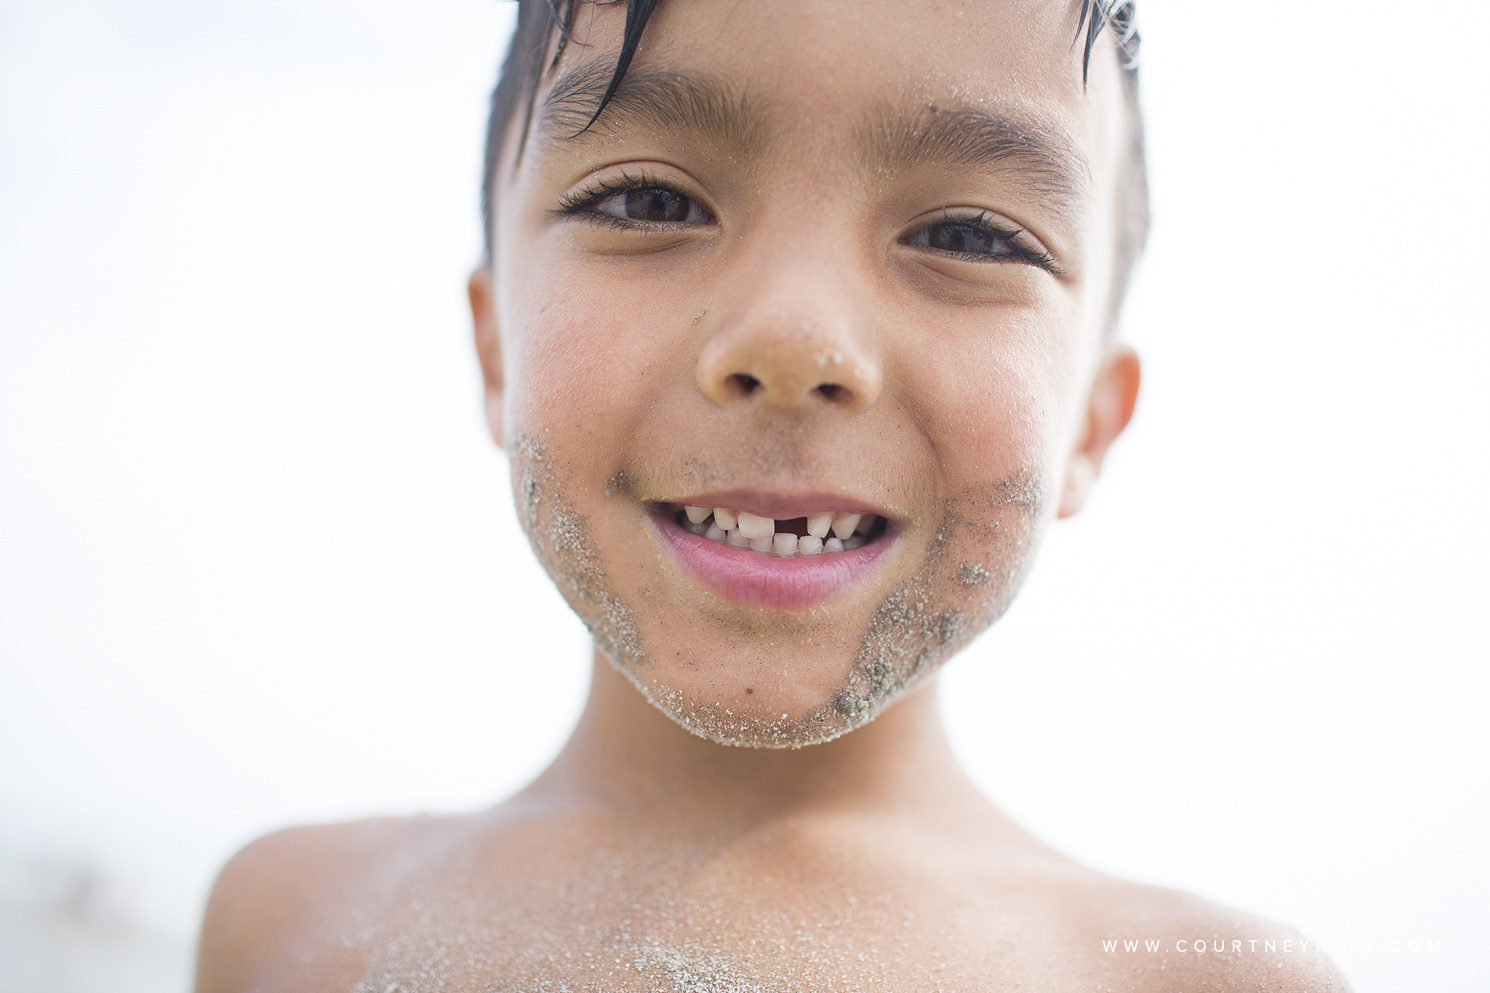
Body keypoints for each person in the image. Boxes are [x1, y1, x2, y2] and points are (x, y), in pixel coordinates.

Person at [194, 2, 1352, 989]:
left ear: (1092, 418)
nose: (794, 339)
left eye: (966, 233)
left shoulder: (1194, 978)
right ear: (498, 350)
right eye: (648, 203)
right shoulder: (289, 919)